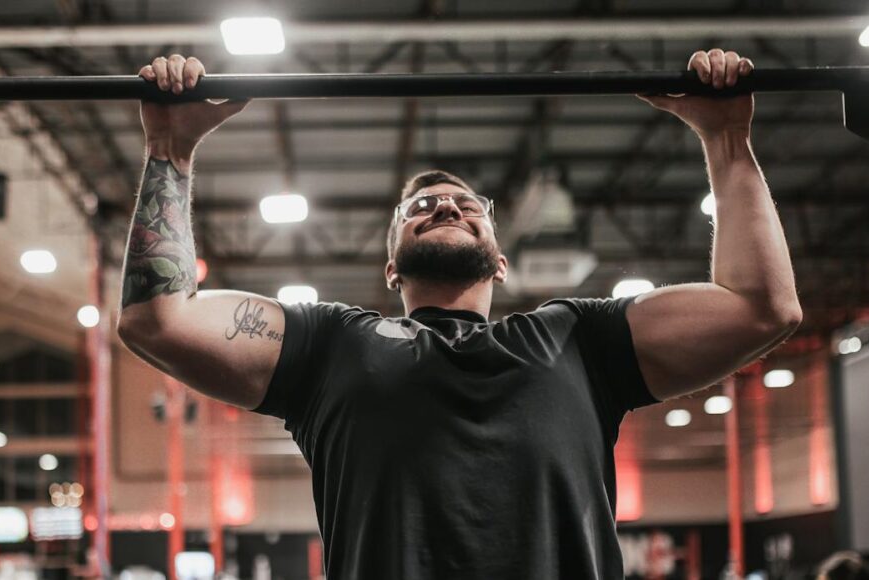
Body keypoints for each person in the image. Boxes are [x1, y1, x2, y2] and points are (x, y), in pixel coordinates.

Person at [117, 50, 802, 579]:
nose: (445, 205)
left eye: (468, 205)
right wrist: (170, 152)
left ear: (500, 262)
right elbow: (158, 321)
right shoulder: (328, 346)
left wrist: (726, 140)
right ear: (391, 268)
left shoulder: (578, 338)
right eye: (419, 208)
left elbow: (761, 308)